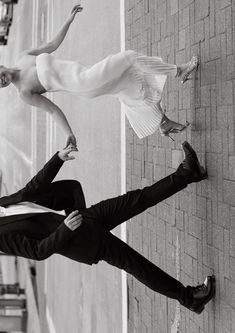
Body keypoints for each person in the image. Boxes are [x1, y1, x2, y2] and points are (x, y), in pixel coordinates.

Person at [0, 141, 215, 314]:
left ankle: (188, 173)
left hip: (84, 218)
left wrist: (58, 159)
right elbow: (38, 252)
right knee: (138, 265)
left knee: (136, 199)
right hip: (81, 240)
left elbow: (32, 189)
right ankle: (190, 298)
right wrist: (65, 228)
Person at [0, 5, 199, 146]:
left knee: (130, 83)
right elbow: (52, 111)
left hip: (86, 75)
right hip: (85, 83)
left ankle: (163, 123)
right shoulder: (24, 93)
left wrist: (68, 21)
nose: (1, 81)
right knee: (128, 58)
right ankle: (179, 70)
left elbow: (52, 45)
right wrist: (69, 132)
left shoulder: (23, 57)